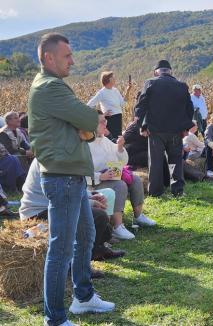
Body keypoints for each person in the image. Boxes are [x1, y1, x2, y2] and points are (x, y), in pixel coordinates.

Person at [28, 32, 114, 326]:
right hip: (62, 176)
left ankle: (83, 297)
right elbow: (92, 120)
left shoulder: (55, 87)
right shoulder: (51, 88)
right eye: (67, 56)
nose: (73, 61)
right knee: (61, 249)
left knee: (85, 236)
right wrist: (86, 127)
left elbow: (90, 129)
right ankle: (54, 319)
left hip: (71, 175)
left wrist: (86, 129)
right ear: (48, 57)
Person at [19, 159, 125, 261]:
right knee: (99, 216)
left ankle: (97, 250)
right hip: (38, 214)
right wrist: (90, 202)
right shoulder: (54, 158)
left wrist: (91, 196)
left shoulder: (61, 154)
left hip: (52, 207)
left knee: (106, 229)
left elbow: (73, 187)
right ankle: (82, 260)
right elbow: (60, 196)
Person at [88, 111, 156, 240]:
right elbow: (78, 172)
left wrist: (119, 148)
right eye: (101, 122)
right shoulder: (84, 144)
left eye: (105, 121)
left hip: (108, 178)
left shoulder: (104, 140)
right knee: (120, 185)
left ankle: (138, 216)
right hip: (92, 184)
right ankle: (117, 226)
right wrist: (99, 177)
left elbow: (123, 161)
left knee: (135, 179)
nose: (105, 124)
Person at [135, 60, 194, 197]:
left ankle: (155, 192)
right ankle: (177, 190)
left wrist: (142, 126)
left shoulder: (150, 83)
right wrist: (185, 127)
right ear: (170, 71)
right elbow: (189, 109)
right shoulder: (181, 86)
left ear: (157, 72)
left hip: (155, 131)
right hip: (175, 131)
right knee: (175, 161)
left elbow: (140, 106)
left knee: (155, 162)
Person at [87, 71, 132, 138]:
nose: (114, 78)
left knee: (117, 141)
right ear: (108, 79)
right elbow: (89, 105)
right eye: (112, 77)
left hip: (118, 119)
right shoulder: (102, 93)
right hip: (110, 121)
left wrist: (128, 90)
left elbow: (123, 103)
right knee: (112, 141)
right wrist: (103, 115)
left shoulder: (115, 90)